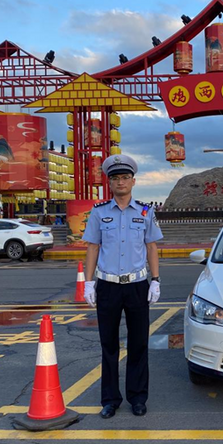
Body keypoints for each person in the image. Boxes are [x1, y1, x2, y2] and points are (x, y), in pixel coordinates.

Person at [82, 154, 163, 419]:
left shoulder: (145, 212)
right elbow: (93, 247)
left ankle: (138, 398)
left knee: (139, 344)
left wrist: (156, 280)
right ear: (110, 183)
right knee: (109, 345)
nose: (121, 182)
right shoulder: (99, 212)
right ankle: (110, 399)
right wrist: (89, 282)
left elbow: (152, 247)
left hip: (137, 285)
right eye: (115, 178)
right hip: (108, 286)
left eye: (125, 177)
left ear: (133, 181)